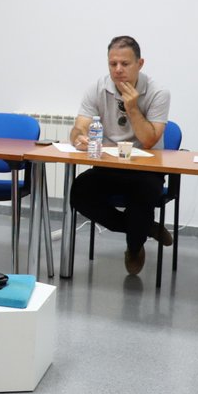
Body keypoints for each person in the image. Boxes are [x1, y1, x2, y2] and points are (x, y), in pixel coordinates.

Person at [68, 35, 174, 275]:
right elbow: (79, 125)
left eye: (124, 64)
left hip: (146, 169)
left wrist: (133, 108)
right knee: (79, 192)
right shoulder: (97, 87)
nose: (118, 70)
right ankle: (145, 229)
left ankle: (135, 246)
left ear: (140, 64)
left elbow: (149, 140)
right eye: (112, 64)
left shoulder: (158, 93)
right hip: (108, 166)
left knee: (143, 195)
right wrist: (79, 137)